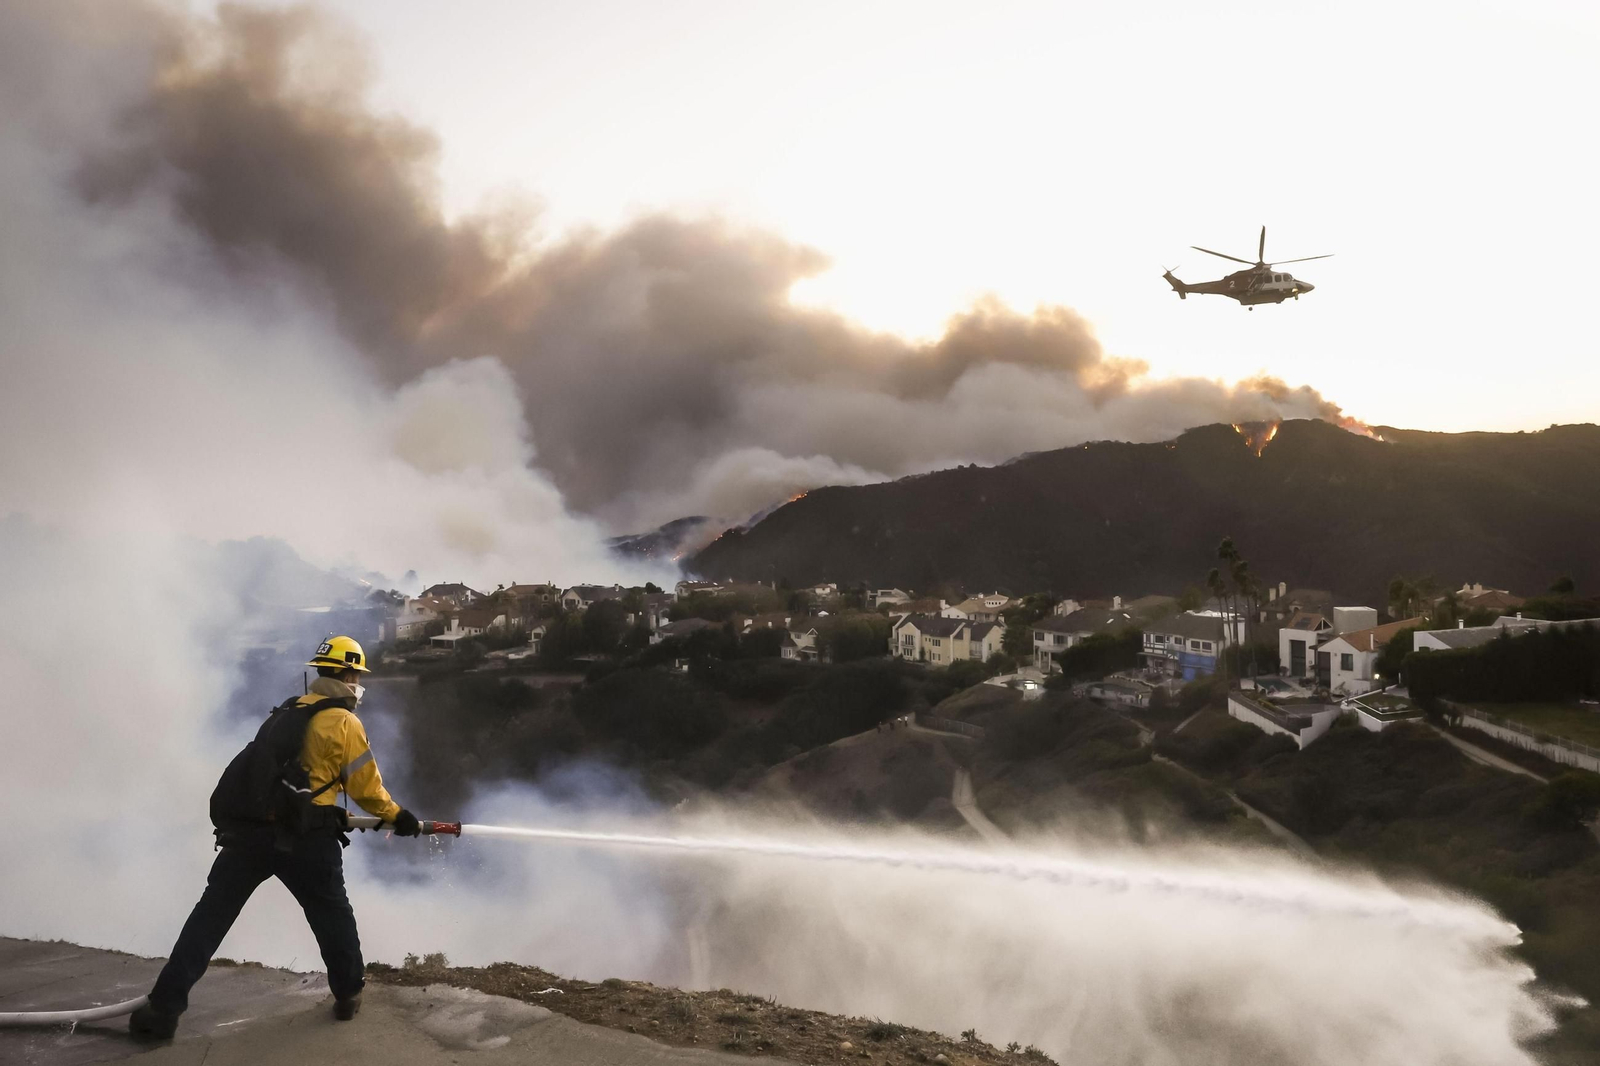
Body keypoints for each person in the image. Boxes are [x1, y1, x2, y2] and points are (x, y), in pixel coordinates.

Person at [130, 636, 421, 1039]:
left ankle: (163, 1009)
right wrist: (399, 817)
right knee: (332, 915)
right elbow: (367, 789)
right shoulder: (344, 722)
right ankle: (348, 994)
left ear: (320, 673)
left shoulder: (289, 710)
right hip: (307, 839)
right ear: (351, 674)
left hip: (249, 834)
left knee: (210, 917)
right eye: (357, 674)